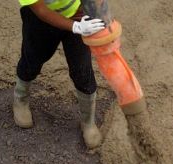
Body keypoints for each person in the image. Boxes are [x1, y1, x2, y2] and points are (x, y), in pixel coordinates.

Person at [14, 0, 105, 149]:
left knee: (82, 71)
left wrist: (97, 10)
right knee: (32, 61)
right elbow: (41, 10)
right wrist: (75, 27)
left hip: (77, 15)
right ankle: (20, 99)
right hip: (40, 21)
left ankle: (88, 122)